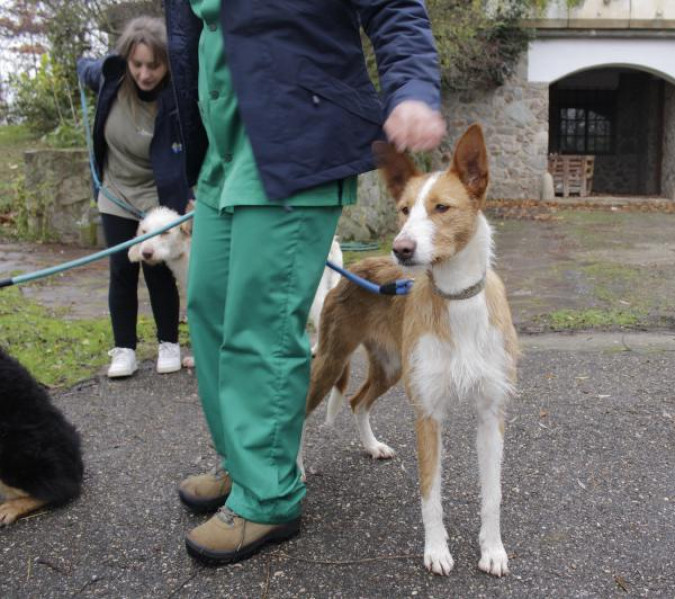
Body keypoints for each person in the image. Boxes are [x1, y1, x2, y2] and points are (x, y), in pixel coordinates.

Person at [164, 0, 446, 565]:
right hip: (222, 148)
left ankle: (267, 494)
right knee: (211, 309)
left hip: (299, 133)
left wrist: (412, 87)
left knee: (260, 323)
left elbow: (394, 7)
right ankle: (242, 464)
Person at [77, 16, 194, 379]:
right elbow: (86, 68)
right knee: (121, 270)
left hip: (156, 194)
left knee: (157, 266)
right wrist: (82, 64)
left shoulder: (178, 97)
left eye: (154, 65)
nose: (145, 73)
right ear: (127, 60)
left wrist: (191, 196)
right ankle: (124, 349)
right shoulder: (110, 79)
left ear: (167, 63)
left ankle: (169, 344)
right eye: (137, 64)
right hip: (115, 191)